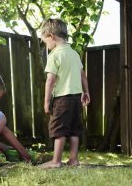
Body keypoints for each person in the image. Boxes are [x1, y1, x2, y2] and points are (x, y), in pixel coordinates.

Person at [39, 18, 90, 169]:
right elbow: (82, 75)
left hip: (62, 99)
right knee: (74, 129)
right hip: (76, 98)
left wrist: (47, 101)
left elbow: (50, 80)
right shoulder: (74, 53)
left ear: (51, 36)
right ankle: (73, 159)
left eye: (45, 41)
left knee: (59, 129)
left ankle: (56, 161)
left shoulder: (54, 55)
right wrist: (86, 91)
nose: (46, 45)